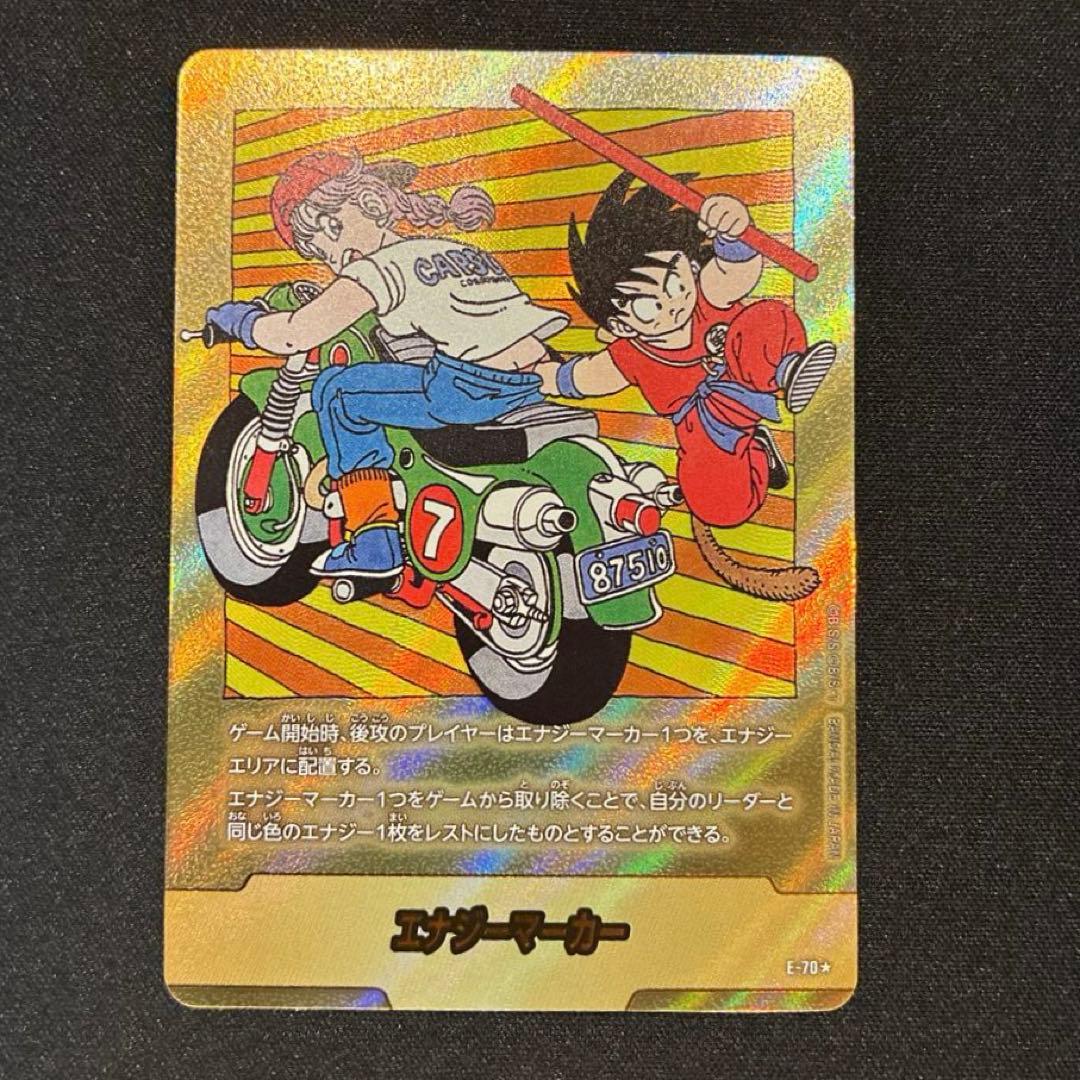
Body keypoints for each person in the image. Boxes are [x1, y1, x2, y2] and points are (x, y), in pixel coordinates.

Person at [204, 152, 568, 581]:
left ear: (330, 224)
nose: (332, 265)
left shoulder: (378, 268)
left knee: (338, 391)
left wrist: (241, 321)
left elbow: (294, 335)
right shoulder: (456, 250)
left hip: (466, 389)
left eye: (321, 252)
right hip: (535, 376)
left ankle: (373, 540)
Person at [533, 172, 837, 600]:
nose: (673, 303)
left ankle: (790, 371)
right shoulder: (629, 353)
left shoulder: (706, 294)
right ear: (620, 324)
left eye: (676, 282)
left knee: (762, 321)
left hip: (752, 376)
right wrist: (549, 377)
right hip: (706, 428)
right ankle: (757, 455)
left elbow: (736, 270)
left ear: (691, 267)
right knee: (717, 505)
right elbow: (586, 377)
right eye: (647, 303)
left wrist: (732, 231)